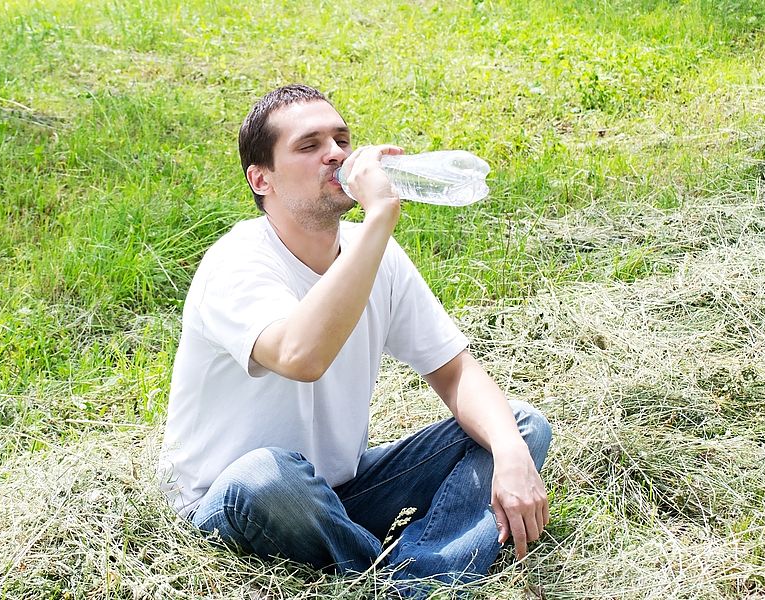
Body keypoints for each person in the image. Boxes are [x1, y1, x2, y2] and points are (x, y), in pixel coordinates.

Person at [157, 84, 552, 592]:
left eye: (342, 140)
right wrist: (380, 216)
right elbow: (301, 355)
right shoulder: (236, 263)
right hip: (234, 501)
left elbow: (454, 371)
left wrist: (511, 454)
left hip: (343, 490)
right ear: (262, 179)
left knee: (520, 426)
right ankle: (411, 577)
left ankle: (407, 580)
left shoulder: (376, 254)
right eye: (309, 145)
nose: (336, 155)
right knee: (266, 474)